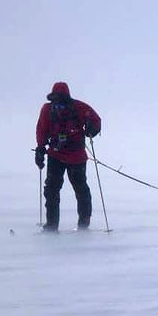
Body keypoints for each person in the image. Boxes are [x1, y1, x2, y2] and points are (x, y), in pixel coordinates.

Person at [35, 82, 101, 231]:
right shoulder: (47, 110)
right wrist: (40, 148)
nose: (58, 104)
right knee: (51, 189)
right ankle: (51, 225)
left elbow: (96, 120)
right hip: (55, 154)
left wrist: (92, 128)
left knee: (80, 189)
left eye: (61, 100)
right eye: (55, 100)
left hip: (76, 156)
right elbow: (41, 129)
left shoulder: (79, 107)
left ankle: (84, 225)